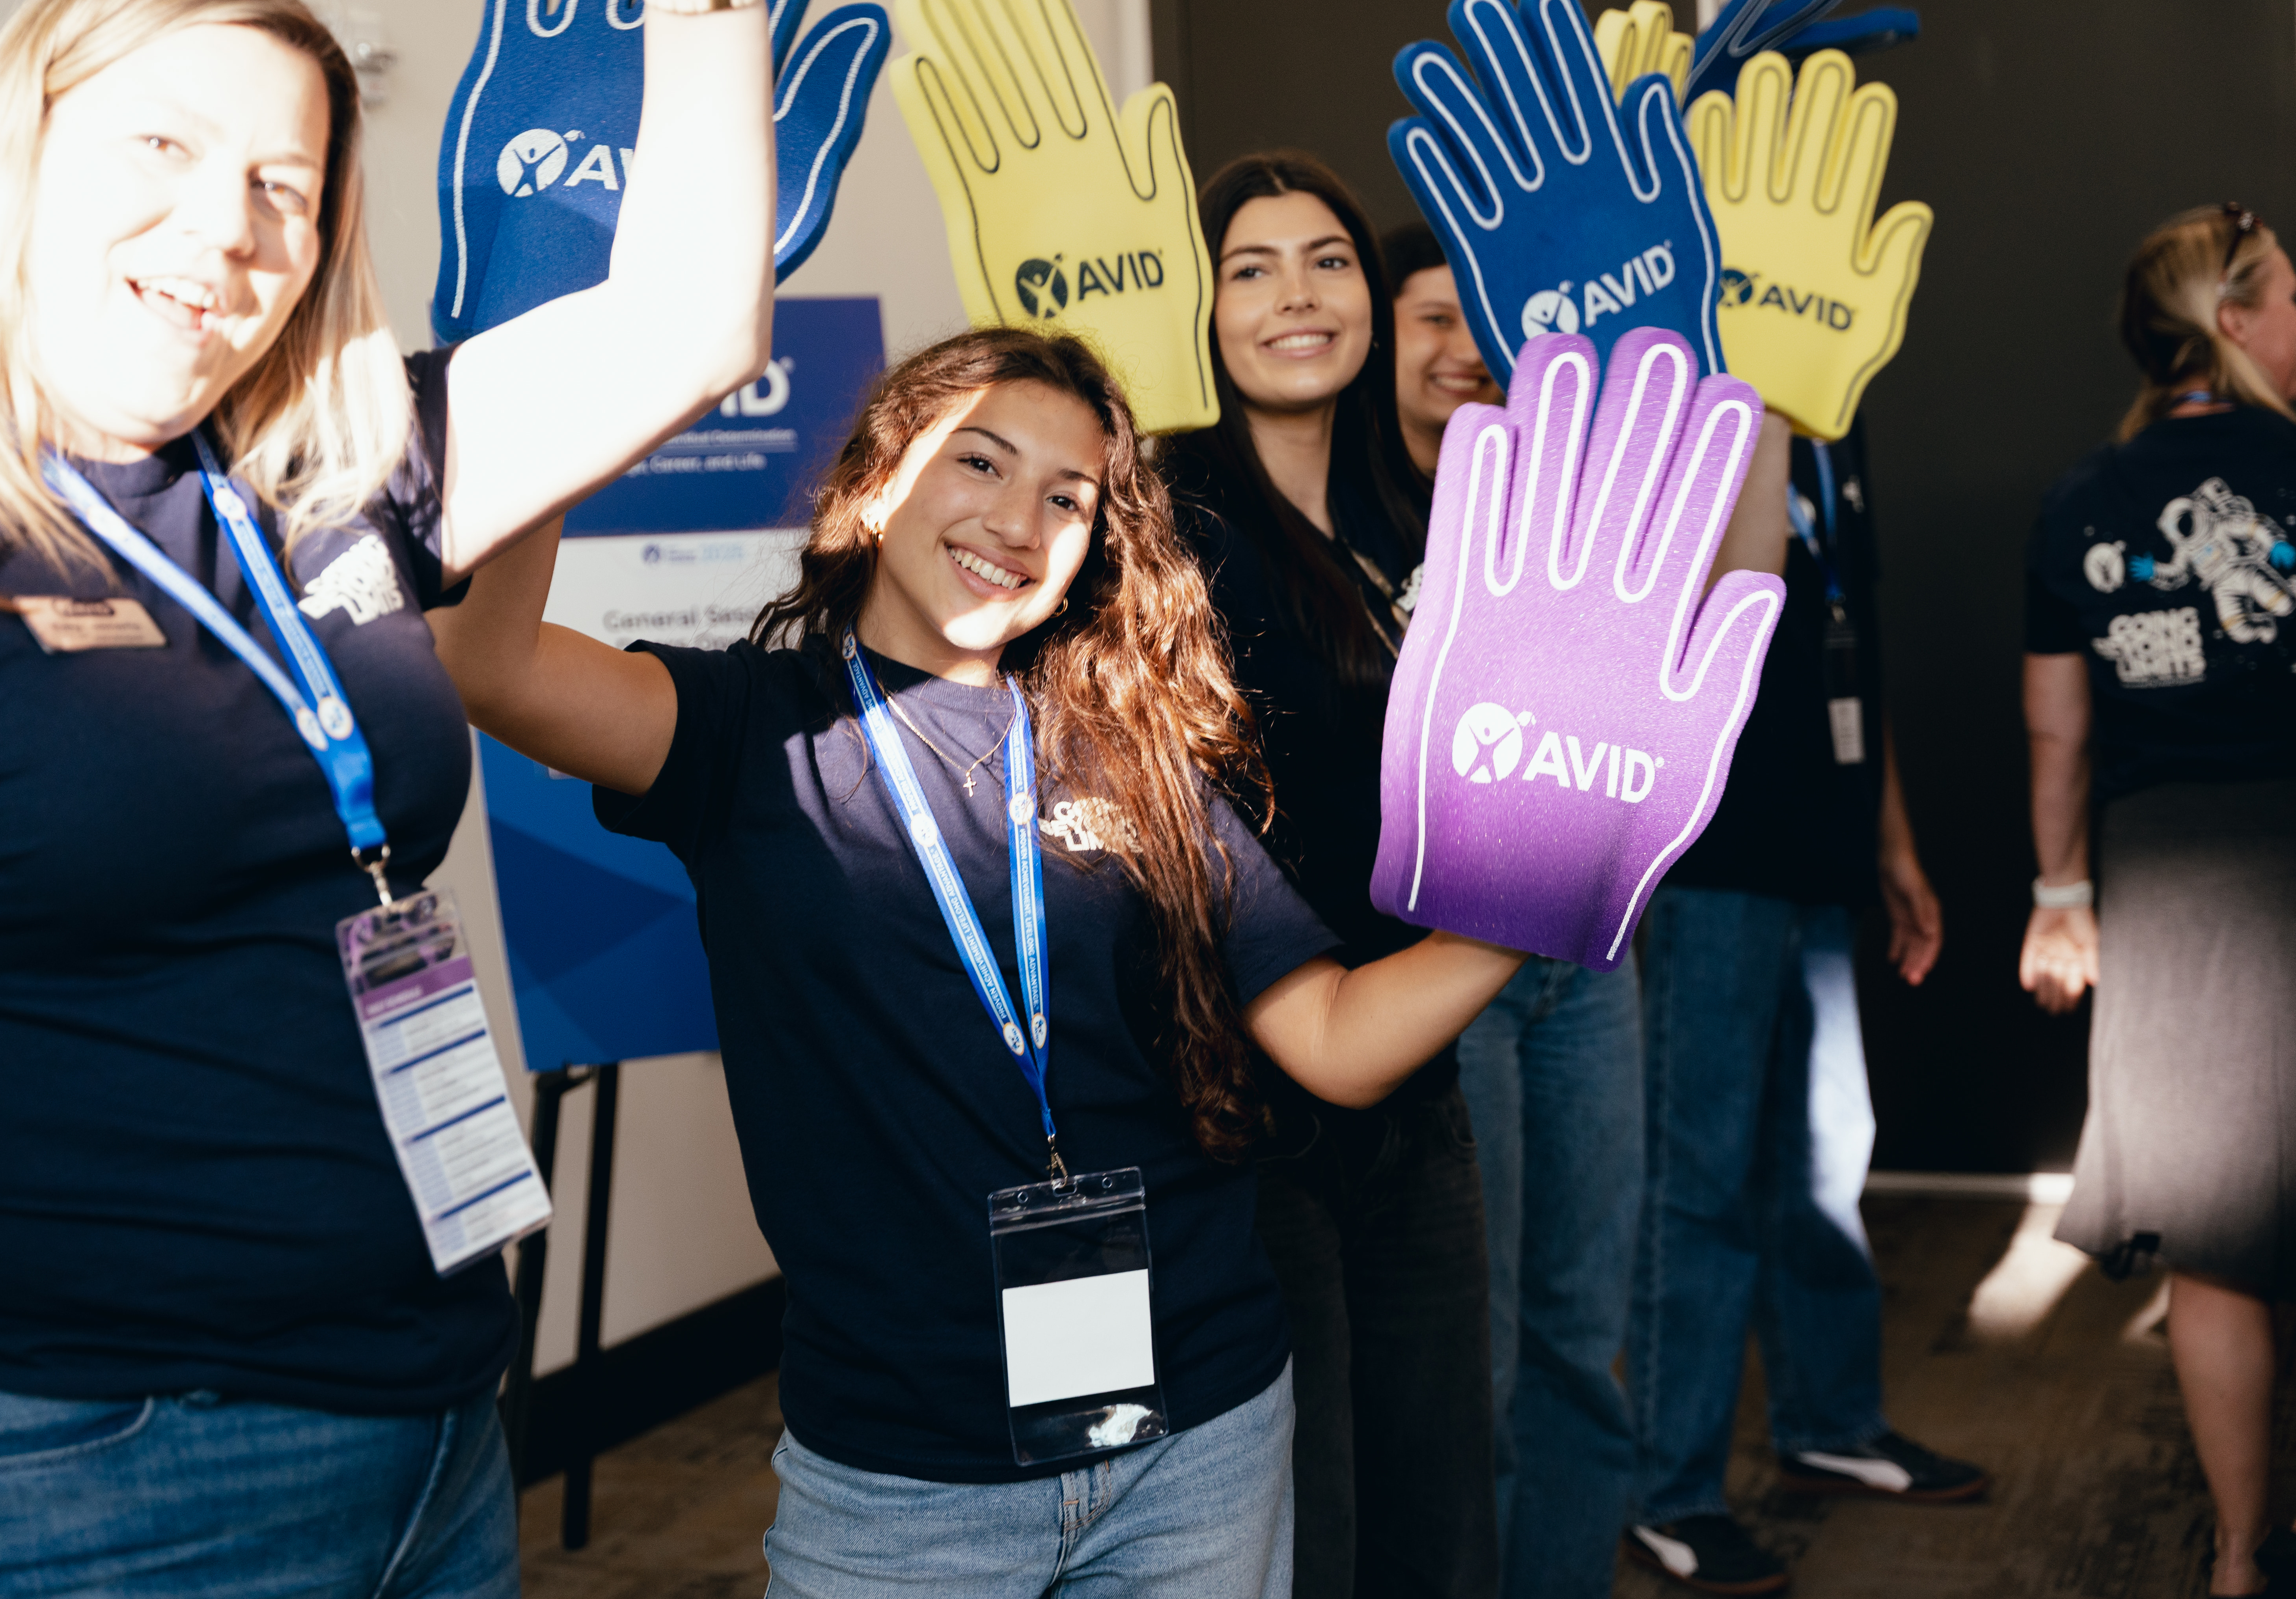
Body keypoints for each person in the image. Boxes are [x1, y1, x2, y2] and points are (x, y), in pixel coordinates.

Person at [0, 0, 780, 1599]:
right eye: (165, 145)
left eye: (288, 184)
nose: (229, 226)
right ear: (18, 150)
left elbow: (691, 327)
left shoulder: (328, 473)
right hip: (77, 1467)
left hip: (430, 1418)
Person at [436, 325, 1535, 1597]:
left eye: (1068, 500)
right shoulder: (750, 731)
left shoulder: (1133, 754)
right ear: (881, 478)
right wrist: (566, 405)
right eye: (981, 465)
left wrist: (1531, 904)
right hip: (908, 1479)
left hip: (1200, 1436)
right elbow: (487, 663)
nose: (1020, 520)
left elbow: (1337, 1041)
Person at [1161, 154, 1498, 1599]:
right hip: (1247, 1108)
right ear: (1200, 305)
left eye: (1328, 260)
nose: (1297, 295)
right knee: (1317, 1537)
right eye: (1251, 267)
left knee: (1439, 1508)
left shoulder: (1413, 511)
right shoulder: (1161, 528)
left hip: (1417, 1078)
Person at [1621, 408, 1984, 1595]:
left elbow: (1850, 640)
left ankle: (1831, 1422)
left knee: (1828, 1159)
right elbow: (1733, 597)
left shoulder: (1843, 408)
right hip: (1709, 858)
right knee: (1700, 1180)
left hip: (1823, 850)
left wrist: (1894, 844)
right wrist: (1763, 413)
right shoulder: (1677, 394)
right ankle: (1666, 1492)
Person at [2019, 203, 2296, 1599]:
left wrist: (2060, 895)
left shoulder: (2084, 499)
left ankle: (2242, 1559)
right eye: (2294, 298)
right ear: (2236, 323)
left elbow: (2058, 734)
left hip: (2172, 889)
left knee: (2220, 1248)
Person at [1361, 219, 1640, 1599]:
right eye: (1432, 317)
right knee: (1472, 1347)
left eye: (1492, 321)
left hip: (1584, 953)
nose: (1466, 348)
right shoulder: (1341, 514)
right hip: (1430, 966)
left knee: (1583, 1332)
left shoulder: (1570, 513)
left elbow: (1722, 614)